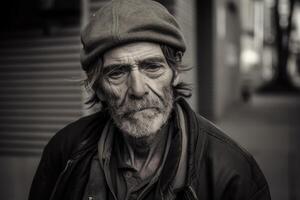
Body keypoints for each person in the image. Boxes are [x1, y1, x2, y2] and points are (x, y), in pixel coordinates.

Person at [29, 0, 271, 199]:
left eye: (152, 67)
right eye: (117, 72)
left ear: (175, 73)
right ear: (99, 88)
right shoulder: (65, 152)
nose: (137, 89)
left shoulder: (231, 172)